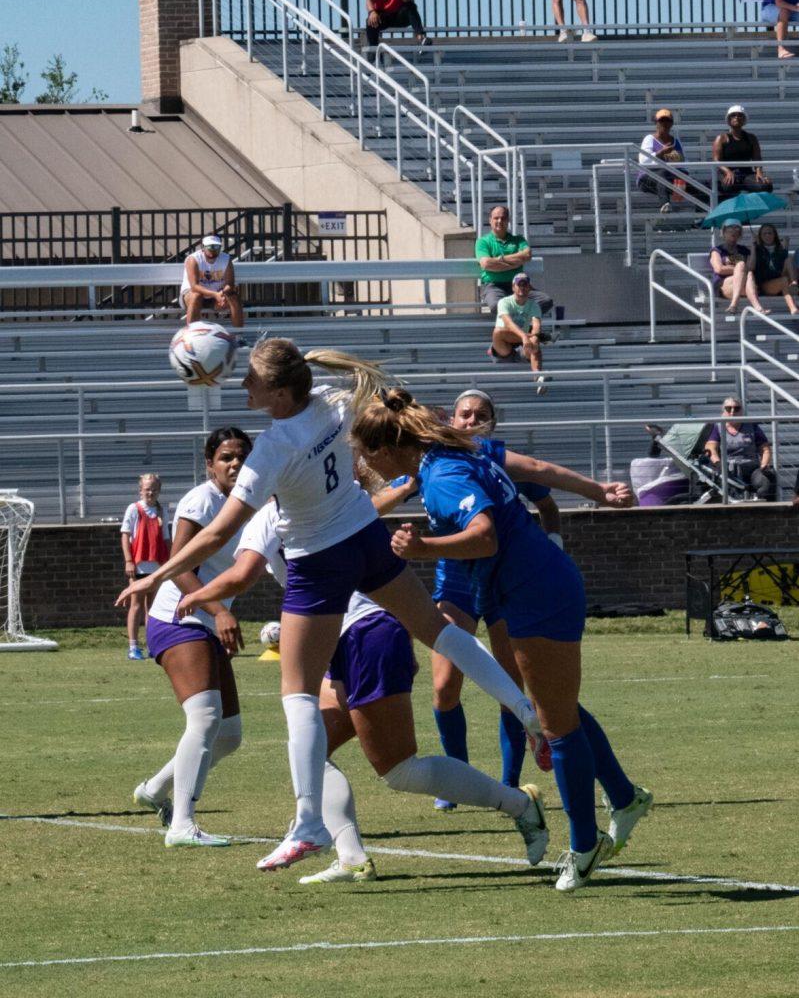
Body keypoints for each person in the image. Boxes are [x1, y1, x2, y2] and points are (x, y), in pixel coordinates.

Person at [117, 340, 546, 873]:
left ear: (277, 391)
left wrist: (153, 577)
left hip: (321, 564)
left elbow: (220, 533)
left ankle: (308, 824)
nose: (241, 386)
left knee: (296, 695)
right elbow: (241, 562)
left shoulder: (274, 447)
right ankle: (525, 710)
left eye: (249, 380)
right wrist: (203, 594)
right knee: (437, 631)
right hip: (363, 537)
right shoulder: (331, 401)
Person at [352, 388, 652, 892]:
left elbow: (484, 534)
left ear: (386, 450)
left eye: (365, 452)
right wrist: (597, 491)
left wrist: (423, 547)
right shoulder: (457, 450)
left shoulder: (445, 474)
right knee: (557, 711)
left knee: (556, 725)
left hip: (534, 589)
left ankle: (584, 845)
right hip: (525, 586)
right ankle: (622, 798)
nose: (364, 462)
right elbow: (536, 466)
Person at [177, 499, 550, 883]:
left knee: (400, 769)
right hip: (346, 638)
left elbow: (243, 572)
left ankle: (520, 805)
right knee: (313, 751)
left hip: (366, 634)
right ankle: (351, 855)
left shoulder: (275, 512)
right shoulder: (328, 496)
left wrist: (184, 589)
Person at [121, 428, 254, 847]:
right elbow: (178, 565)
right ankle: (181, 825)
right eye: (226, 457)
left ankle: (155, 790)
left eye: (241, 457)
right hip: (179, 620)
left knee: (229, 736)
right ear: (209, 464)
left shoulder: (253, 500)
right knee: (206, 719)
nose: (235, 464)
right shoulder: (201, 500)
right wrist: (218, 612)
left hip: (209, 622)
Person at [119, 473, 169, 661]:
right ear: (140, 490)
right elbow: (125, 535)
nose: (151, 492)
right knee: (136, 604)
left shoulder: (162, 511)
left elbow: (166, 538)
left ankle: (152, 644)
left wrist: (170, 561)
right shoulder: (134, 509)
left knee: (153, 608)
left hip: (156, 566)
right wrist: (128, 560)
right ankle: (133, 646)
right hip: (139, 565)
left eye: (154, 489)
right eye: (147, 489)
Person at [475, 205, 552, 316]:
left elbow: (527, 254)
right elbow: (486, 264)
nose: (500, 221)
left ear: (508, 221)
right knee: (496, 305)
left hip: (519, 284)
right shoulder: (483, 242)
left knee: (545, 300)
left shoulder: (518, 240)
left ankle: (519, 323)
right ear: (490, 220)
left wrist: (499, 261)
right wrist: (515, 263)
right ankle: (522, 326)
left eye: (503, 218)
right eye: (496, 218)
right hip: (494, 285)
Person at [705, 398, 776, 500]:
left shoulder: (752, 425)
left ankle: (761, 510)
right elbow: (710, 447)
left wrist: (764, 465)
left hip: (752, 469)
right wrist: (718, 463)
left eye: (736, 408)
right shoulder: (718, 427)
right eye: (728, 409)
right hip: (728, 470)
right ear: (723, 411)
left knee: (766, 482)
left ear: (741, 411)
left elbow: (765, 449)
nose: (732, 412)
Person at [491, 273, 547, 393]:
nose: (522, 287)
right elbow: (508, 323)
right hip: (504, 344)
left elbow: (536, 324)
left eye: (525, 284)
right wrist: (524, 336)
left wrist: (535, 336)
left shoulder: (534, 305)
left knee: (535, 340)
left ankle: (538, 377)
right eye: (519, 284)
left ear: (529, 287)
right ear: (513, 287)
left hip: (522, 344)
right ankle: (538, 373)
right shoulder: (504, 302)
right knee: (498, 332)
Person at [180, 235, 245, 328]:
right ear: (203, 247)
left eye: (216, 247)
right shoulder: (193, 259)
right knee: (196, 296)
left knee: (234, 297)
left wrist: (222, 293)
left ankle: (239, 336)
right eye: (209, 247)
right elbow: (194, 286)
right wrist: (215, 294)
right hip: (192, 295)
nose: (213, 250)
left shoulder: (225, 259)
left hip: (217, 296)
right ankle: (191, 335)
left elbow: (230, 284)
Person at [712, 106, 772, 199]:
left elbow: (757, 158)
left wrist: (759, 172)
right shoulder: (721, 138)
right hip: (728, 174)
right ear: (728, 119)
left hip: (746, 174)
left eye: (740, 115)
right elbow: (716, 160)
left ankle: (752, 208)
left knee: (765, 186)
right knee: (728, 186)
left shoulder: (751, 138)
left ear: (744, 119)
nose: (737, 117)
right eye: (733, 115)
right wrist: (727, 171)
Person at [709, 218, 766, 315]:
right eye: (730, 230)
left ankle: (741, 306)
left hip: (743, 287)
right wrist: (740, 269)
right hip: (724, 286)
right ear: (723, 232)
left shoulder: (743, 250)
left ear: (740, 234)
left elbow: (751, 267)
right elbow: (719, 269)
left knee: (750, 274)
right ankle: (754, 306)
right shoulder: (717, 251)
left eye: (737, 230)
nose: (734, 232)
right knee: (742, 266)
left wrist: (753, 246)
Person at [637, 109, 688, 212]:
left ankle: (700, 217)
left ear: (671, 124)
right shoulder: (649, 139)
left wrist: (677, 160)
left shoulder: (676, 142)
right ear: (656, 123)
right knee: (662, 174)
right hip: (648, 178)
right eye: (661, 121)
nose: (665, 124)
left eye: (667, 121)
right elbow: (643, 161)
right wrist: (661, 152)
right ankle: (665, 203)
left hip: (670, 178)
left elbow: (685, 164)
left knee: (695, 185)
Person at [751, 223, 798, 315]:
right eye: (764, 234)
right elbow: (753, 267)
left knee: (788, 259)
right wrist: (753, 245)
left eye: (770, 233)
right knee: (784, 280)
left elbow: (783, 264)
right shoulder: (758, 250)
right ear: (760, 236)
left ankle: (794, 283)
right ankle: (793, 307)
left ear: (774, 235)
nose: (767, 235)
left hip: (780, 278)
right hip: (766, 283)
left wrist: (785, 248)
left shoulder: (779, 249)